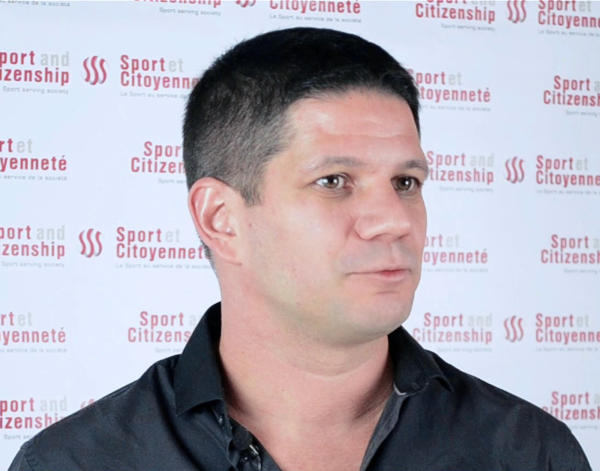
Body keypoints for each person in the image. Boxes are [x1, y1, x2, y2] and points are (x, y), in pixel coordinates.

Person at [9, 27, 591, 471]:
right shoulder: (77, 463)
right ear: (221, 219)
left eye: (406, 182)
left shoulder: (528, 452)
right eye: (334, 181)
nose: (394, 221)